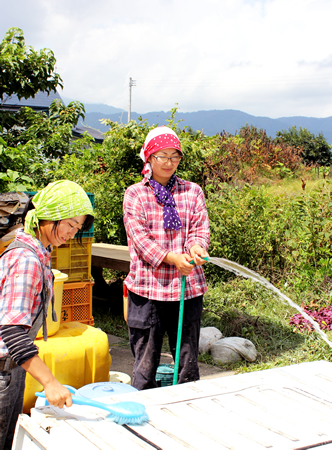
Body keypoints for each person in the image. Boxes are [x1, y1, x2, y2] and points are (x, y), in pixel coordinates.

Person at [0, 180, 94, 450]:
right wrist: (51, 383)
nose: (72, 233)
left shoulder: (40, 250)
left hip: (13, 367)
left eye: (78, 228)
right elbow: (12, 332)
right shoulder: (26, 259)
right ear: (49, 214)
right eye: (69, 224)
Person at [123, 126, 210, 390]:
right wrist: (172, 258)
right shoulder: (135, 194)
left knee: (187, 364)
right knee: (145, 365)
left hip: (187, 289)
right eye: (162, 156)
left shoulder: (192, 191)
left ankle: (186, 410)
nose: (169, 162)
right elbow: (140, 241)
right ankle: (143, 419)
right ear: (148, 158)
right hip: (148, 290)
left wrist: (196, 248)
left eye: (175, 156)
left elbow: (199, 229)